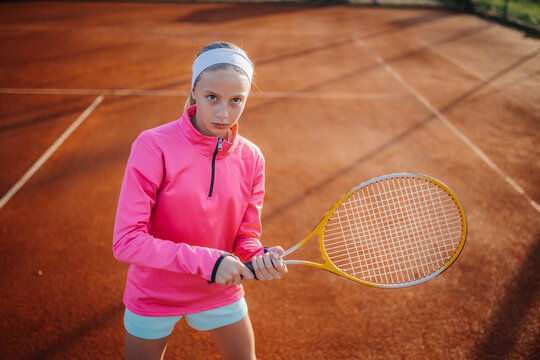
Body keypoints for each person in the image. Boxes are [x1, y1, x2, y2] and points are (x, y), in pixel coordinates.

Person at [113, 41, 287, 360]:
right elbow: (126, 242)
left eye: (236, 100)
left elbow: (245, 237)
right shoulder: (153, 145)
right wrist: (210, 262)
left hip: (219, 290)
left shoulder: (252, 157)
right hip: (154, 294)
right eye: (212, 98)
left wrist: (259, 256)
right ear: (194, 91)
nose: (223, 113)